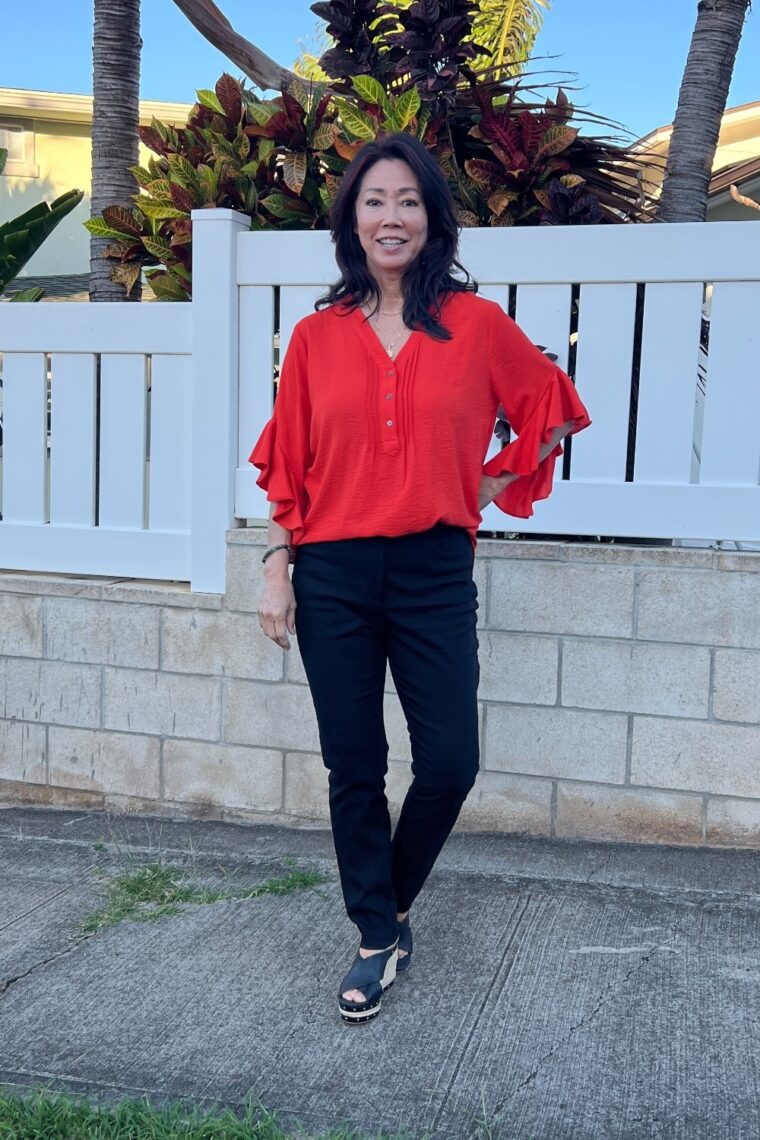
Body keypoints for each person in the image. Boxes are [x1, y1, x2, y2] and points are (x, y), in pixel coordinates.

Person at [250, 132, 591, 1026]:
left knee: (449, 762)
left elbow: (551, 409)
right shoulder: (318, 338)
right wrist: (277, 565)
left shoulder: (476, 327)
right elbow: (292, 467)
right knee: (353, 764)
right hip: (333, 572)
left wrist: (490, 479)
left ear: (432, 218)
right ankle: (374, 938)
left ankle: (389, 907)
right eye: (374, 201)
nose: (391, 216)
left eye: (407, 201)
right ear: (351, 221)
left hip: (436, 570)